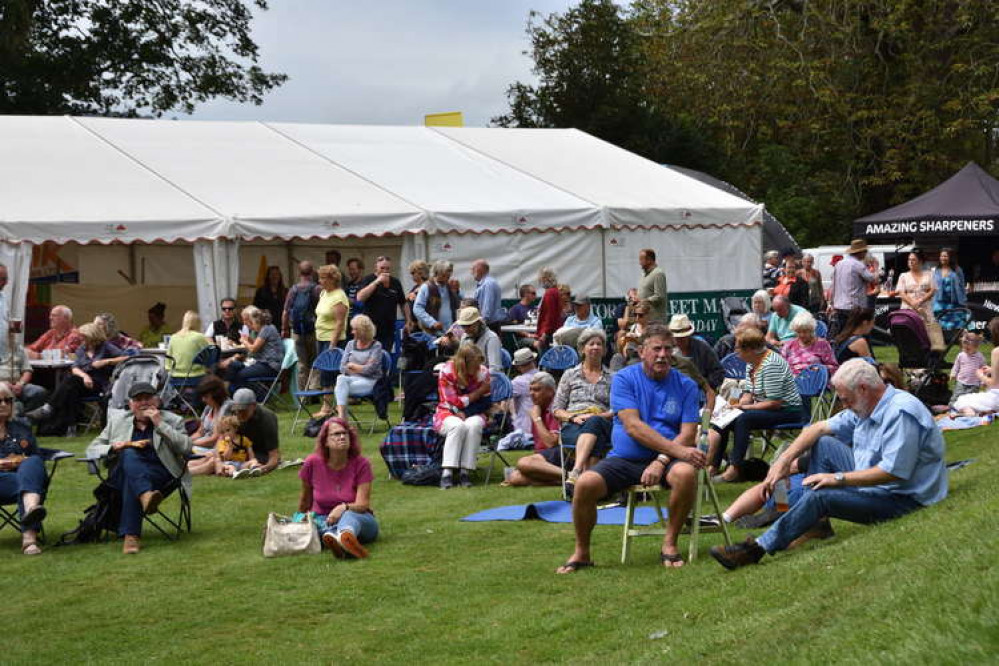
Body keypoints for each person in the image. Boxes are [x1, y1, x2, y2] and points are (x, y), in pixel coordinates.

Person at [710, 359, 948, 570]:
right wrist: (782, 462)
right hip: (877, 481)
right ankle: (815, 523)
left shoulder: (900, 412)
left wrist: (837, 479)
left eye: (846, 399)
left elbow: (893, 472)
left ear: (864, 389)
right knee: (822, 443)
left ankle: (756, 549)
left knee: (821, 496)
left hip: (904, 498)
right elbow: (818, 427)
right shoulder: (868, 404)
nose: (844, 405)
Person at [556, 325, 704, 573]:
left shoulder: (686, 385)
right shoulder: (624, 379)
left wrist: (661, 460)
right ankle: (582, 552)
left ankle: (669, 544)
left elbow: (688, 433)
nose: (663, 355)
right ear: (643, 351)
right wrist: (669, 454)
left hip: (669, 460)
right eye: (656, 349)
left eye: (668, 349)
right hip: (626, 459)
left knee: (686, 474)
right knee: (584, 484)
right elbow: (633, 427)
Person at [86, 381, 193, 554]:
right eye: (138, 399)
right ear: (131, 405)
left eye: (148, 398)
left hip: (161, 474)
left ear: (157, 401)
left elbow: (186, 447)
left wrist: (160, 424)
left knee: (132, 479)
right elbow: (92, 448)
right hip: (122, 474)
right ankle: (144, 496)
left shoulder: (173, 420)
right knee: (128, 454)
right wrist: (113, 447)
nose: (143, 403)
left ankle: (131, 536)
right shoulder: (118, 421)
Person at [707, 328, 803, 483]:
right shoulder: (751, 363)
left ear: (750, 350)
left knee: (744, 419)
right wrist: (736, 406)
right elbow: (748, 393)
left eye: (738, 349)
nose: (736, 352)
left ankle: (734, 469)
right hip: (765, 406)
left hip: (787, 410)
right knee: (726, 417)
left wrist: (745, 408)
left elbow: (774, 402)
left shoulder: (772, 364)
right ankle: (713, 466)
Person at [26, 322, 127, 435]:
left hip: (99, 385)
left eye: (83, 336)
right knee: (71, 389)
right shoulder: (82, 349)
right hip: (83, 382)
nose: (80, 339)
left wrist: (106, 361)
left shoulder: (106, 347)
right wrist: (85, 376)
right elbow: (75, 367)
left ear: (92, 336)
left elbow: (127, 357)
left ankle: (49, 408)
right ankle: (71, 427)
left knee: (71, 382)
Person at [299, 418, 377, 559]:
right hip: (324, 519)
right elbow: (305, 500)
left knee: (348, 516)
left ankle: (344, 537)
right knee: (320, 525)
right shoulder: (312, 463)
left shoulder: (362, 464)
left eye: (345, 433)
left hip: (358, 518)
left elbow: (363, 504)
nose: (342, 436)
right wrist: (299, 518)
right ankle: (341, 541)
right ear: (325, 441)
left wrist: (343, 508)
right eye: (336, 434)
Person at [557, 329, 614, 492]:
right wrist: (573, 417)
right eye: (591, 344)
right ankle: (588, 486)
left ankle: (575, 472)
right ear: (582, 349)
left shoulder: (613, 377)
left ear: (604, 350)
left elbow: (616, 409)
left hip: (603, 421)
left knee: (595, 422)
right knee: (596, 438)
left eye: (599, 344)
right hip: (574, 425)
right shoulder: (570, 375)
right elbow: (557, 409)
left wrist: (597, 415)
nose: (595, 347)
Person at [0, 383, 49, 555]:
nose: (4, 404)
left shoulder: (21, 427)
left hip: (24, 478)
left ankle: (29, 529)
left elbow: (34, 453)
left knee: (34, 461)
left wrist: (21, 461)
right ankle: (31, 515)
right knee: (27, 484)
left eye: (8, 400)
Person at [435, 343, 491, 489]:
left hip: (474, 411)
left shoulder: (483, 372)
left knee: (474, 425)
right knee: (457, 426)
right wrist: (477, 393)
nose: (478, 368)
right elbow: (453, 402)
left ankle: (465, 471)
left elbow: (486, 401)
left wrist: (466, 411)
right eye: (475, 365)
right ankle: (447, 472)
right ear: (464, 363)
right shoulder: (446, 371)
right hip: (447, 411)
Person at [506, 372, 564, 486]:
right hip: (546, 456)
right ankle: (559, 480)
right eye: (531, 390)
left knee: (524, 463)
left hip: (560, 453)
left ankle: (570, 476)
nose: (532, 394)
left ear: (550, 391)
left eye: (537, 390)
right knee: (515, 478)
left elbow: (551, 443)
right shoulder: (538, 408)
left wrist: (537, 419)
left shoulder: (556, 408)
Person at [223, 306, 284, 396]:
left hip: (270, 366)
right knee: (234, 366)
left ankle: (252, 397)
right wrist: (249, 339)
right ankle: (230, 393)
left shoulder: (267, 329)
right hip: (262, 363)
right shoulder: (262, 330)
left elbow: (253, 349)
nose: (246, 324)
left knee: (239, 374)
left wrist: (244, 341)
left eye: (247, 321)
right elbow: (258, 345)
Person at [333, 315, 384, 422]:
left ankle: (341, 420)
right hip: (351, 380)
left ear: (363, 331)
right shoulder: (350, 344)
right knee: (340, 378)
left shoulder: (376, 346)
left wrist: (353, 366)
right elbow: (342, 367)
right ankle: (342, 417)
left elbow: (371, 370)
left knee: (340, 389)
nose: (352, 332)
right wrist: (363, 366)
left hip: (371, 382)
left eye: (355, 329)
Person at [315, 263, 350, 413]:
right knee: (324, 372)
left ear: (332, 279)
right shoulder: (323, 293)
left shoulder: (339, 297)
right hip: (320, 337)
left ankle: (328, 406)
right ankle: (328, 405)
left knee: (330, 372)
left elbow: (340, 322)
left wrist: (332, 344)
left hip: (333, 339)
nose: (320, 281)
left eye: (323, 278)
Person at [282, 261, 321, 391]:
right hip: (313, 330)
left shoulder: (293, 289)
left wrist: (284, 328)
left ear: (299, 272)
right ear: (312, 272)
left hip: (297, 331)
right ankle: (314, 389)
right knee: (315, 361)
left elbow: (286, 311)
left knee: (301, 363)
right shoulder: (316, 289)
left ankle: (303, 392)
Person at [827, 239, 878, 338]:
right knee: (856, 336)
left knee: (841, 336)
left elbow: (833, 286)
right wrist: (875, 266)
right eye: (865, 251)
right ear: (861, 252)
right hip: (854, 308)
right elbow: (873, 279)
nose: (866, 253)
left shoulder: (839, 264)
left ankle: (842, 353)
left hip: (839, 307)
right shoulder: (858, 265)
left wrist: (831, 303)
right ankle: (861, 352)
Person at [356, 256, 407, 352]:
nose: (385, 271)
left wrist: (408, 320)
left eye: (387, 268)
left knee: (385, 355)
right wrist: (377, 282)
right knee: (369, 355)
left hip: (388, 328)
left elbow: (403, 303)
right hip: (370, 328)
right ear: (376, 267)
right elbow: (360, 297)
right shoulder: (368, 279)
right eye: (382, 268)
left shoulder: (395, 282)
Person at [186, 375, 232, 475]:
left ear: (216, 395)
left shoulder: (226, 408)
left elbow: (214, 438)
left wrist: (190, 444)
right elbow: (200, 432)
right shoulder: (208, 408)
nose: (203, 400)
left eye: (206, 397)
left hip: (215, 447)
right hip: (203, 445)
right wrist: (187, 440)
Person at [953, 317, 999, 416]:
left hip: (996, 398)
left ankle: (971, 414)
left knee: (961, 400)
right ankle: (986, 410)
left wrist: (980, 376)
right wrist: (992, 370)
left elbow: (994, 384)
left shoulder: (997, 351)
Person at [229, 388, 281, 473]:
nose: (239, 414)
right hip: (238, 452)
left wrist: (265, 468)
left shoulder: (267, 418)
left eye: (243, 410)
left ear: (253, 406)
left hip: (260, 455)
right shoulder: (234, 415)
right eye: (237, 410)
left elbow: (274, 456)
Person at [669, 314, 725, 392]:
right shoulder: (667, 350)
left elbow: (718, 371)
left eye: (683, 337)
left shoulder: (702, 347)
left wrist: (704, 385)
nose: (680, 340)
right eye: (677, 338)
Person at [781, 311, 838, 376]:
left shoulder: (823, 344)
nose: (802, 335)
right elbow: (780, 367)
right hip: (791, 381)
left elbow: (834, 367)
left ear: (812, 330)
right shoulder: (789, 345)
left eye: (805, 331)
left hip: (813, 380)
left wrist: (820, 369)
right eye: (799, 332)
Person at [413, 260, 459, 335]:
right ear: (437, 273)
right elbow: (417, 308)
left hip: (451, 331)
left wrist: (457, 291)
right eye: (444, 275)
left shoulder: (450, 286)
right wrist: (432, 322)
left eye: (448, 275)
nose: (447, 278)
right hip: (433, 333)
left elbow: (461, 304)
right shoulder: (426, 287)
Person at [1, 344, 48, 414]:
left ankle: (28, 420)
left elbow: (27, 371)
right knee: (17, 406)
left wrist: (21, 384)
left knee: (39, 392)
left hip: (17, 384)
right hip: (2, 386)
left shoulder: (18, 348)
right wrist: (3, 384)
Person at [454, 307, 503, 373]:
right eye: (463, 326)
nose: (465, 330)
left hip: (487, 379)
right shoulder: (464, 336)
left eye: (469, 325)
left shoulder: (492, 338)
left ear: (478, 323)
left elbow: (495, 369)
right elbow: (459, 361)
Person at [212, 414, 261, 478]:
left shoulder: (244, 440)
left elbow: (251, 454)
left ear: (235, 428)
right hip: (229, 463)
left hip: (241, 463)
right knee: (230, 467)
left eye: (228, 430)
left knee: (254, 461)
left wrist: (252, 461)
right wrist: (230, 447)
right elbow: (225, 458)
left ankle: (253, 470)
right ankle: (235, 474)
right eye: (223, 432)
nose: (226, 434)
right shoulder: (223, 443)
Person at [165, 311, 209, 379]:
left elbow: (168, 361)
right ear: (197, 323)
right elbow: (209, 357)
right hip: (196, 375)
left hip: (176, 377)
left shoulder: (173, 337)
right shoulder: (199, 337)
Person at [507, 348, 539, 440]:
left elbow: (503, 403)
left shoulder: (518, 382)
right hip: (546, 427)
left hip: (526, 430)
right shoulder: (546, 377)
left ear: (517, 367)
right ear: (533, 361)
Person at [931, 248, 968, 329]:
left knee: (956, 325)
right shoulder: (935, 270)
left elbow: (962, 286)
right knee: (940, 325)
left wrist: (964, 301)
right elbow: (933, 287)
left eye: (945, 256)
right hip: (940, 304)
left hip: (954, 302)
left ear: (950, 257)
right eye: (941, 256)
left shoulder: (957, 269)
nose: (943, 258)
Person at [949, 331, 986, 407]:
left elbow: (983, 369)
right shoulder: (961, 355)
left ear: (976, 347)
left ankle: (967, 410)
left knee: (971, 400)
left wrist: (983, 381)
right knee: (957, 395)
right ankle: (952, 408)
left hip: (974, 384)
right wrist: (953, 373)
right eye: (964, 348)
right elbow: (956, 366)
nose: (965, 350)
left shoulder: (980, 357)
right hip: (961, 381)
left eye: (968, 349)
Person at [253, 265, 288, 334]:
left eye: (277, 274)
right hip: (266, 326)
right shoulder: (261, 291)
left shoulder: (285, 291)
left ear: (280, 276)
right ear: (268, 276)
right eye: (272, 274)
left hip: (282, 325)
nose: (275, 276)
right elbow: (255, 309)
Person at [534, 266, 562, 350]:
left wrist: (544, 334)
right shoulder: (555, 291)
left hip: (548, 334)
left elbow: (550, 316)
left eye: (541, 278)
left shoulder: (549, 293)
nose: (539, 281)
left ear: (545, 278)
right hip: (553, 331)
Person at [471, 259, 504, 332]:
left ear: (479, 270)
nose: (471, 272)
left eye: (473, 269)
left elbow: (487, 308)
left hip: (488, 325)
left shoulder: (487, 284)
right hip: (489, 324)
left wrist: (481, 325)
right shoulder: (488, 283)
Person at [638, 248, 669, 323]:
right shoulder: (643, 275)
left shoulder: (658, 274)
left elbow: (659, 296)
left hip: (656, 321)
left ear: (649, 260)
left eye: (641, 259)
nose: (639, 263)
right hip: (645, 320)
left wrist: (643, 301)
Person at [404, 260, 430, 332]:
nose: (411, 275)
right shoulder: (415, 287)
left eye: (413, 273)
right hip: (414, 325)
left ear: (420, 273)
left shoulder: (429, 286)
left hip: (424, 326)